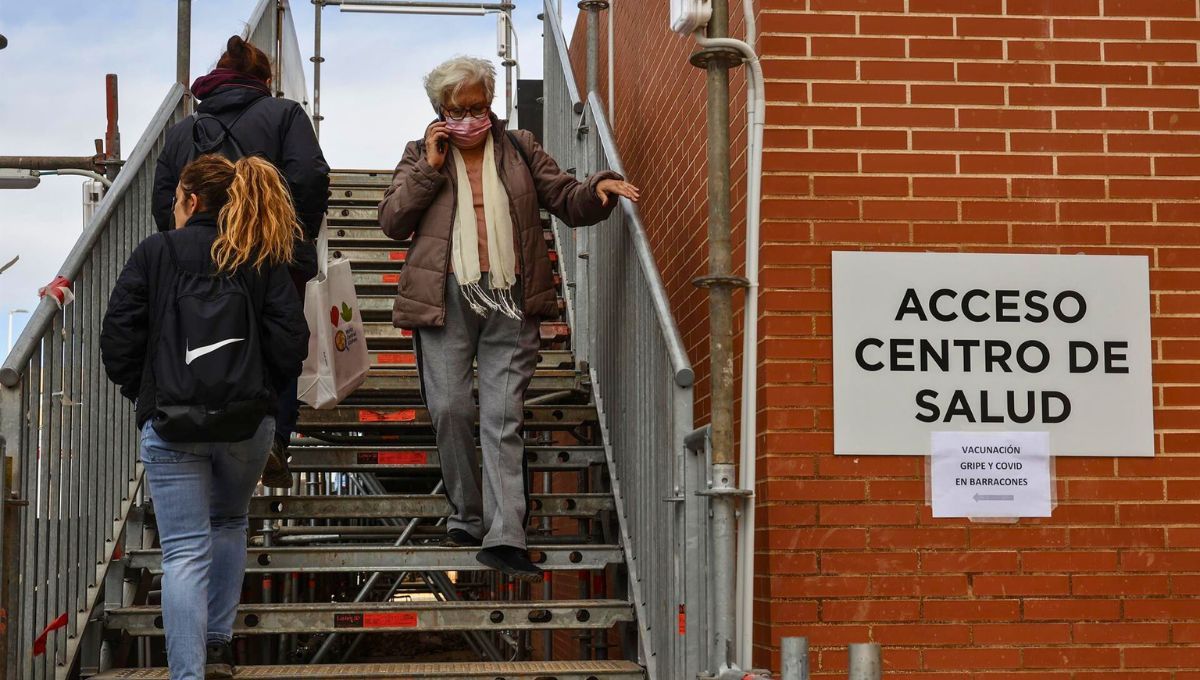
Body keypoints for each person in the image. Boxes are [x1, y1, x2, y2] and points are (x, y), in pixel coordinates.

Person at [378, 56, 640, 582]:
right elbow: (392, 221)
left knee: (502, 419)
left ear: (490, 104)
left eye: (478, 106)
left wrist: (598, 190)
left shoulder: (519, 147)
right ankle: (468, 514)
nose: (470, 118)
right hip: (445, 299)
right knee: (451, 409)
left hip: (511, 298)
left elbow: (565, 196)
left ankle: (506, 535)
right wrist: (430, 169)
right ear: (439, 112)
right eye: (457, 109)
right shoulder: (418, 155)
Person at [102, 155, 309, 679]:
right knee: (230, 522)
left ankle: (188, 673)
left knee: (183, 553)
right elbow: (290, 344)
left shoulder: (156, 253)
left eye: (175, 199)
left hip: (171, 425)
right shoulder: (259, 257)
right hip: (246, 425)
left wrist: (148, 395)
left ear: (191, 200)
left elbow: (118, 339)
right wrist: (261, 392)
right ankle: (218, 643)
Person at [153, 34, 330, 488]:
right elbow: (309, 175)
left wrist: (184, 243)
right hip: (273, 251)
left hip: (200, 258)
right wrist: (295, 232)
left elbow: (163, 196)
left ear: (217, 77)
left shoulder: (183, 131)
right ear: (265, 79)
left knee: (206, 335)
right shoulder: (285, 115)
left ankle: (201, 423)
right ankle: (272, 434)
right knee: (278, 335)